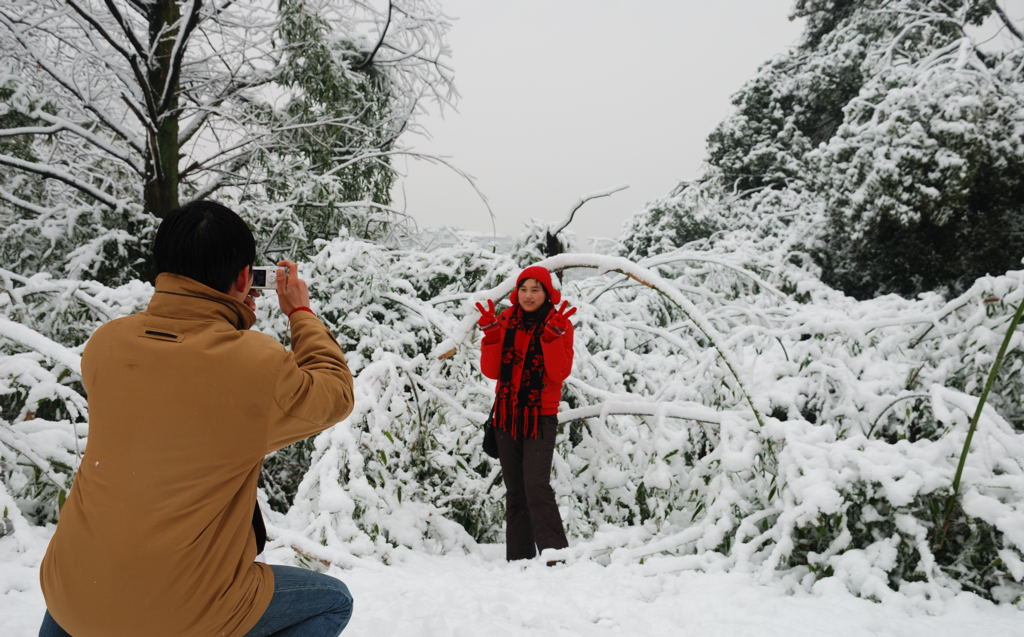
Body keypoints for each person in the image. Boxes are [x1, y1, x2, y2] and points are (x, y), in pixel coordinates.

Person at [38, 200, 356, 637]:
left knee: (92, 601)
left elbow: (182, 384)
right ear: (245, 278)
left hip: (68, 593)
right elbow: (335, 394)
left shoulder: (106, 345)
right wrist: (299, 313)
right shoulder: (256, 363)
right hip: (180, 612)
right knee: (332, 602)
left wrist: (231, 319)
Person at [475, 265, 576, 562]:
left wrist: (552, 338)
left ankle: (556, 556)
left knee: (536, 486)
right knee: (516, 491)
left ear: (547, 294)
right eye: (523, 288)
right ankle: (518, 559)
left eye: (536, 289)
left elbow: (558, 373)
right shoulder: (506, 320)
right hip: (506, 415)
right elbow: (491, 371)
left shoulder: (558, 323)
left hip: (540, 416)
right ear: (516, 292)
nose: (528, 295)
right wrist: (492, 336)